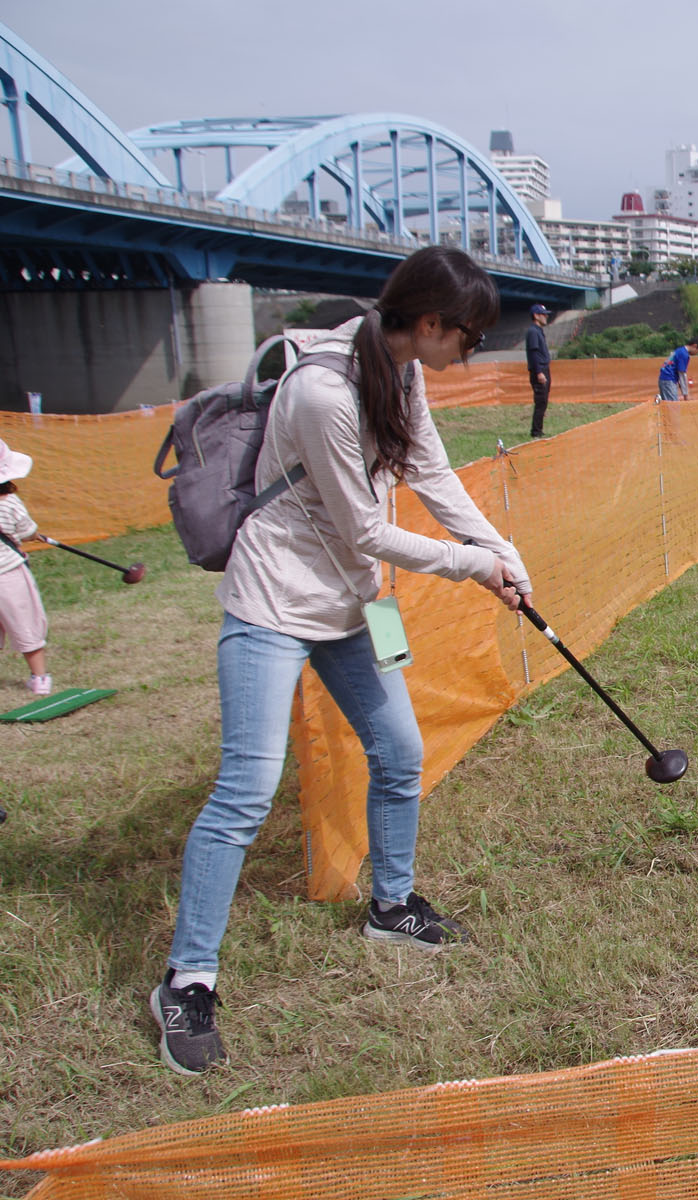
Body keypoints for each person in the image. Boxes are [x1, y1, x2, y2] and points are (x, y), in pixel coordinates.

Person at [151, 246, 534, 1077]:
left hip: (359, 606)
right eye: (468, 336)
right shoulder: (325, 390)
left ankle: (391, 906)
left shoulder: (403, 373)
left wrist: (500, 548)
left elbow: (430, 470)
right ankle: (189, 977)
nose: (470, 351)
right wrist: (471, 567)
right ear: (428, 323)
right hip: (275, 605)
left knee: (400, 750)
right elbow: (364, 528)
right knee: (245, 792)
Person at [0, 439, 52, 696]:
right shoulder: (10, 503)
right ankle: (40, 678)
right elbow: (26, 530)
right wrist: (34, 535)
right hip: (8, 575)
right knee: (25, 623)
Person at [526, 302, 552, 438]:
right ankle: (536, 432)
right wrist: (539, 372)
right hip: (539, 370)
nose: (546, 317)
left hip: (544, 369)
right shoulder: (533, 332)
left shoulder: (538, 331)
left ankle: (539, 429)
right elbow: (533, 353)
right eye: (543, 315)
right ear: (536, 316)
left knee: (544, 401)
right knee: (541, 401)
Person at [658, 335, 698, 403]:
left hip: (665, 379)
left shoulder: (680, 350)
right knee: (673, 407)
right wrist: (686, 395)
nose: (697, 353)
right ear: (695, 346)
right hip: (668, 380)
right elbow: (682, 375)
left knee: (668, 406)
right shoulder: (684, 354)